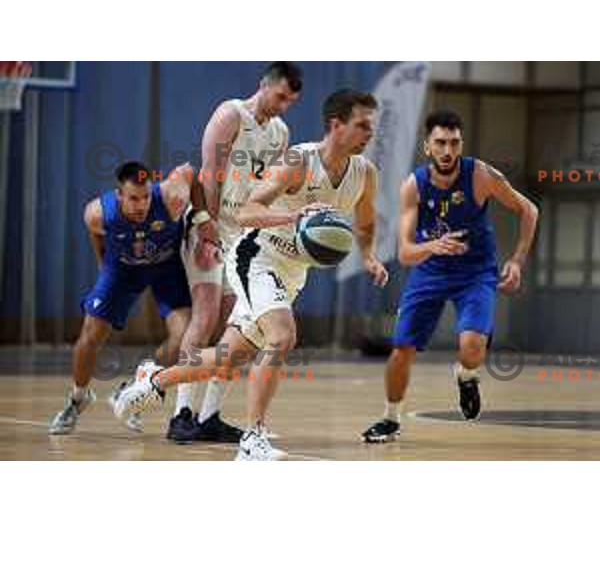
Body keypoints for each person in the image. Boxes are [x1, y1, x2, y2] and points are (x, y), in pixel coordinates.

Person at [113, 89, 388, 460]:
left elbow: (367, 222)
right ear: (336, 125)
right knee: (282, 335)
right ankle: (252, 439)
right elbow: (246, 213)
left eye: (372, 126)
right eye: (363, 125)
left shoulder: (364, 174)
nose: (370, 133)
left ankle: (154, 380)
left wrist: (368, 256)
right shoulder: (297, 161)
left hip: (292, 273)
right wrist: (294, 216)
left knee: (228, 357)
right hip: (257, 256)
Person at [362, 110, 539, 443]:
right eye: (440, 143)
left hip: (476, 272)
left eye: (454, 143)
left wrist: (516, 261)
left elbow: (529, 209)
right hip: (430, 270)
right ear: (427, 146)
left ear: (461, 145)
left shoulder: (481, 176)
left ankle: (466, 374)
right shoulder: (413, 186)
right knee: (401, 348)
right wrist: (434, 245)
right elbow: (404, 253)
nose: (447, 151)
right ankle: (390, 418)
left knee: (471, 347)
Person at [167, 61, 303, 443]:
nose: (283, 106)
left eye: (290, 101)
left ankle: (210, 414)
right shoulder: (231, 114)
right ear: (264, 85)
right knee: (205, 316)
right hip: (211, 226)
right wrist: (206, 227)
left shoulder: (281, 132)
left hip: (245, 236)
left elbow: (272, 188)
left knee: (238, 327)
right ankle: (181, 412)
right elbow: (210, 173)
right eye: (280, 97)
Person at [49, 160, 193, 435]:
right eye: (133, 198)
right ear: (119, 196)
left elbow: (189, 171)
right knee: (89, 337)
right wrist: (103, 263)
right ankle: (78, 398)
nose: (141, 205)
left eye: (146, 197)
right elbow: (95, 233)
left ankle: (136, 386)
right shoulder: (97, 214)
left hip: (166, 268)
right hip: (123, 268)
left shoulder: (171, 198)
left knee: (184, 338)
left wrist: (202, 218)